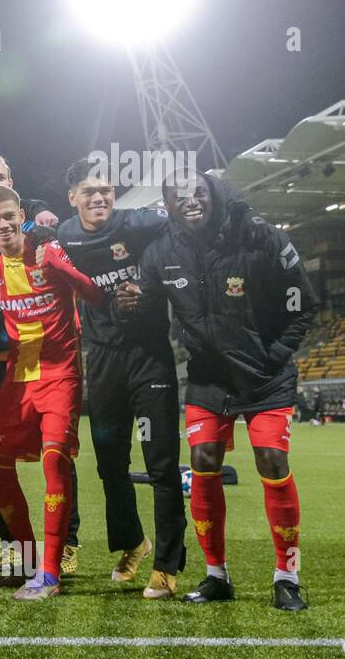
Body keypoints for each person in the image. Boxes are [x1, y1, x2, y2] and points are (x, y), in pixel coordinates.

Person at [118, 173, 317, 610]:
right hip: (209, 377)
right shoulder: (160, 252)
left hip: (266, 376)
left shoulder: (257, 234)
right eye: (179, 196)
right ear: (167, 206)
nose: (191, 201)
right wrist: (126, 303)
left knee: (272, 460)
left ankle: (287, 576)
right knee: (204, 461)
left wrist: (275, 353)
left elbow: (303, 300)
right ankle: (216, 576)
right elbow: (146, 307)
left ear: (213, 196)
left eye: (199, 193)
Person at [0, 185, 105, 600]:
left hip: (60, 375)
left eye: (9, 216)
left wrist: (61, 269)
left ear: (21, 215)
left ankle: (49, 572)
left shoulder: (49, 249)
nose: (3, 224)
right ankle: (29, 557)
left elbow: (94, 295)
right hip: (17, 377)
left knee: (53, 464)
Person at [57, 159, 186, 599]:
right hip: (103, 360)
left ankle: (168, 565)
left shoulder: (141, 223)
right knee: (110, 463)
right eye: (90, 191)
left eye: (106, 190)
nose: (100, 198)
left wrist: (150, 287)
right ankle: (133, 543)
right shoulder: (64, 236)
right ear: (72, 197)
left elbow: (184, 222)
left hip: (150, 357)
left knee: (162, 465)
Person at [0, 151, 78, 575]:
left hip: (51, 363)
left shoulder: (43, 239)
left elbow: (77, 273)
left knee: (55, 456)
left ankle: (64, 549)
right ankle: (17, 550)